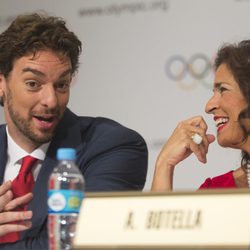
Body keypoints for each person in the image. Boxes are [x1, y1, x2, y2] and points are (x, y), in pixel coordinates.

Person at [0, 12, 148, 249]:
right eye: (33, 84)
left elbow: (77, 241)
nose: (51, 100)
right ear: (2, 84)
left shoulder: (114, 146)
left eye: (61, 85)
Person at [152, 40, 250, 191]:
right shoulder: (216, 191)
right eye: (214, 92)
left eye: (223, 89)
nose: (209, 106)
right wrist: (164, 163)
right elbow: (159, 215)